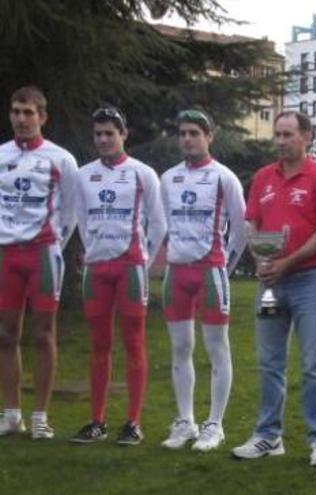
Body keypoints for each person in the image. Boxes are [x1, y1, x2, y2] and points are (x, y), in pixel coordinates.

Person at [232, 110, 316, 467]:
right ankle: (268, 436)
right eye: (277, 135)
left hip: (307, 281)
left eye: (287, 134)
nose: (280, 141)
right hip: (269, 286)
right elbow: (251, 222)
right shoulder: (263, 177)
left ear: (306, 136)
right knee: (269, 362)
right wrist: (259, 256)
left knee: (313, 362)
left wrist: (286, 263)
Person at [69, 106, 166, 446]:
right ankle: (97, 421)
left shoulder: (143, 173)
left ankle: (133, 422)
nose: (104, 139)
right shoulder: (83, 175)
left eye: (110, 133)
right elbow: (79, 217)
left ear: (124, 134)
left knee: (134, 343)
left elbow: (158, 223)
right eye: (98, 134)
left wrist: (145, 261)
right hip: (96, 269)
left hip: (130, 269)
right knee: (99, 345)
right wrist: (92, 250)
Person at [159, 109, 247, 451]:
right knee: (180, 348)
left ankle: (215, 424)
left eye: (194, 132)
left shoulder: (224, 177)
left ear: (209, 136)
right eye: (182, 133)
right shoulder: (168, 178)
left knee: (216, 348)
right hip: (176, 274)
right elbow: (165, 223)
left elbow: (240, 230)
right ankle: (185, 422)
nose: (187, 139)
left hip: (211, 271)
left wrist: (226, 265)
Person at [0, 86, 78, 440]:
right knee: (5, 335)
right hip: (7, 255)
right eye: (16, 111)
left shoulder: (60, 159)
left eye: (28, 112)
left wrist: (54, 244)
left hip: (44, 254)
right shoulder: (1, 154)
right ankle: (12, 413)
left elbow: (70, 212)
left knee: (44, 335)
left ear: (42, 117)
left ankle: (41, 417)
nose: (21, 119)